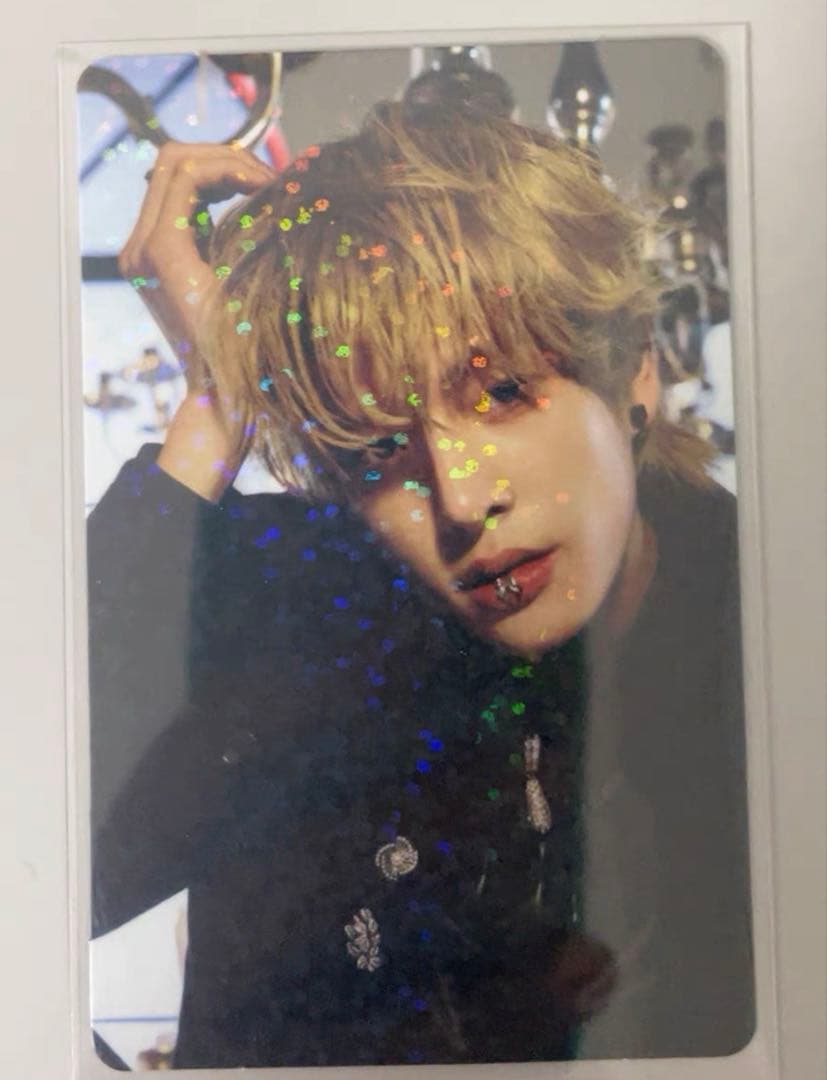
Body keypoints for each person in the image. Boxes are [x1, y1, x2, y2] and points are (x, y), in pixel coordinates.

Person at [89, 99, 754, 1068]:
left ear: (632, 372)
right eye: (375, 451)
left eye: (501, 392)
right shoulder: (316, 628)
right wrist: (214, 400)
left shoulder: (765, 617)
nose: (460, 498)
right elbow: (46, 865)